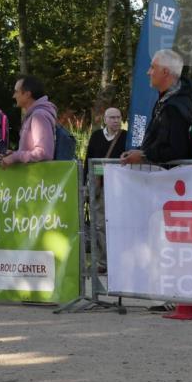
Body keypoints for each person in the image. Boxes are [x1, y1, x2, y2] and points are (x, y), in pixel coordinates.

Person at [120, 49, 192, 165]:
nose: (148, 72)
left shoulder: (176, 106)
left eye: (152, 68)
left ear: (165, 72)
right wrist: (142, 152)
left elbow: (177, 151)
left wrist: (144, 156)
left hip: (178, 179)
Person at [84, 107, 128, 271]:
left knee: (118, 222)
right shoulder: (96, 136)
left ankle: (118, 260)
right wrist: (85, 182)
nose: (116, 120)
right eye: (112, 117)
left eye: (118, 117)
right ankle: (102, 262)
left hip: (119, 185)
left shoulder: (125, 137)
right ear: (105, 119)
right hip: (98, 184)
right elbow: (88, 158)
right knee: (99, 224)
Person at [0, 75, 57, 165]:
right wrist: (13, 154)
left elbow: (44, 153)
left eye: (16, 92)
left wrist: (15, 157)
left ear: (27, 94)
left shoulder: (39, 116)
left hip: (39, 178)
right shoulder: (34, 115)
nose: (14, 96)